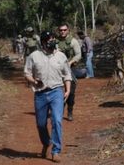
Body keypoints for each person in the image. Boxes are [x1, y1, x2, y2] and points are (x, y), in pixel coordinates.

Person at [24, 31, 72, 163]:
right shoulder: (34, 56)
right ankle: (46, 142)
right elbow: (27, 73)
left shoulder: (61, 56)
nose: (52, 42)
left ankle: (56, 150)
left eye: (53, 39)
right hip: (40, 93)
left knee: (56, 120)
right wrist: (33, 81)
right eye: (50, 40)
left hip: (57, 91)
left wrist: (67, 89)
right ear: (44, 42)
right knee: (41, 124)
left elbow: (67, 74)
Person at [56, 23, 82, 121]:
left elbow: (78, 55)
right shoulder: (56, 41)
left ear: (68, 30)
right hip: (58, 69)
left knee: (70, 92)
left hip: (71, 68)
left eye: (64, 30)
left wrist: (71, 62)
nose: (62, 32)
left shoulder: (73, 41)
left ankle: (70, 111)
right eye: (61, 30)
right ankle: (59, 111)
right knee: (57, 91)